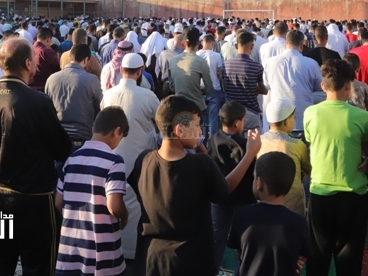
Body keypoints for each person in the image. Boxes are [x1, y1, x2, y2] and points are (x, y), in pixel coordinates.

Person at [128, 95, 261, 276]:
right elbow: (224, 190)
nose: (199, 132)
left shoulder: (143, 160)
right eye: (197, 125)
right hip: (191, 262)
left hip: (150, 262)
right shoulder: (200, 164)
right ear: (180, 129)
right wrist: (250, 153)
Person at [0, 37, 72, 275]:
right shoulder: (37, 101)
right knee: (39, 266)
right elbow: (62, 149)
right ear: (28, 64)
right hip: (33, 198)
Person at [303, 59, 368, 276]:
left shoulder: (310, 113)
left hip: (319, 193)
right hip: (353, 195)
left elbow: (311, 141)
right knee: (349, 262)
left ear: (323, 86)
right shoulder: (363, 117)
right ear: (348, 86)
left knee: (317, 260)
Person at [55, 107, 129, 276]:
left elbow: (58, 202)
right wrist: (124, 216)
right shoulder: (114, 161)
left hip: (70, 250)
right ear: (117, 131)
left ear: (93, 128)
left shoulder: (71, 159)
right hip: (101, 252)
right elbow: (114, 207)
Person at [101, 52, 160, 260]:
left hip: (112, 157)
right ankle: (133, 252)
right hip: (139, 159)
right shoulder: (147, 96)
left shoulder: (109, 94)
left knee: (113, 198)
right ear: (140, 72)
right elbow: (161, 120)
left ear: (121, 70)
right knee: (135, 201)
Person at [232, 151, 310, 276]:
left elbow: (239, 253)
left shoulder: (242, 215)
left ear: (259, 183)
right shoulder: (299, 222)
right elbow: (302, 256)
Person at [207, 101, 258, 274]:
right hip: (243, 201)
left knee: (216, 239)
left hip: (220, 200)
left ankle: (211, 270)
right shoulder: (246, 145)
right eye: (243, 120)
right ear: (237, 123)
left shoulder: (214, 139)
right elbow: (253, 172)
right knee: (244, 244)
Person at [44, 44, 102, 169]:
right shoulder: (91, 80)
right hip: (83, 139)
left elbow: (47, 110)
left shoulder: (51, 79)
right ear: (86, 60)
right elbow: (99, 109)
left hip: (58, 140)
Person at [263, 30, 322, 136]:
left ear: (285, 43)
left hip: (278, 121)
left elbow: (267, 85)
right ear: (302, 45)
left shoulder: (270, 63)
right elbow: (320, 88)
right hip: (303, 120)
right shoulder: (311, 64)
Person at [258, 98, 311, 215]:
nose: (294, 121)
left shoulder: (258, 142)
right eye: (293, 118)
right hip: (293, 208)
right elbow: (309, 168)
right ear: (287, 122)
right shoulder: (297, 145)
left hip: (264, 206)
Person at [168, 28, 214, 135]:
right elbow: (209, 89)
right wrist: (199, 89)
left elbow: (172, 87)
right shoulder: (201, 62)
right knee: (200, 137)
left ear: (183, 42)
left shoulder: (173, 61)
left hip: (179, 107)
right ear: (198, 42)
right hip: (197, 107)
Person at [222, 32, 267, 132]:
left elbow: (225, 87)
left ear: (236, 46)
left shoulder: (225, 65)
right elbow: (264, 91)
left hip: (231, 113)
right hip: (251, 113)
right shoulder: (257, 67)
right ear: (252, 46)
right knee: (253, 140)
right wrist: (255, 89)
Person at [198, 33, 224, 140]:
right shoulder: (217, 56)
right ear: (212, 43)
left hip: (200, 89)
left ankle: (202, 139)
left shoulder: (197, 55)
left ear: (202, 43)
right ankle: (213, 141)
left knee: (202, 117)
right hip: (215, 88)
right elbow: (220, 74)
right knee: (213, 117)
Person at [28, 27, 61, 91]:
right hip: (43, 87)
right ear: (48, 40)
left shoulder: (29, 49)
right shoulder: (46, 52)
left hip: (28, 86)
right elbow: (58, 69)